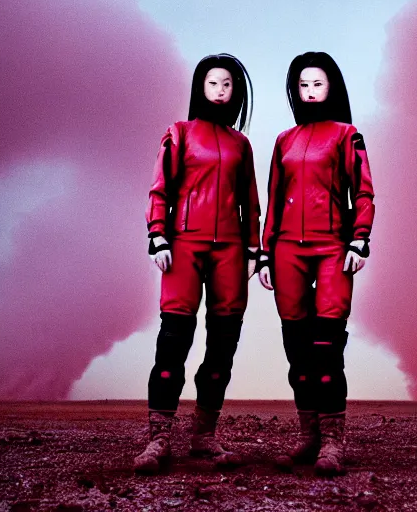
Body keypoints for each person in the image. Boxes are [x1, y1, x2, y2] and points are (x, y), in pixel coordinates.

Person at [134, 54, 261, 473]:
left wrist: (254, 251)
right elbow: (160, 190)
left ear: (235, 91)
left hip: (230, 250)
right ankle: (158, 439)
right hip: (184, 246)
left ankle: (204, 436)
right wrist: (157, 237)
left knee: (223, 345)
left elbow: (251, 205)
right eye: (213, 83)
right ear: (200, 88)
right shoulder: (179, 133)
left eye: (227, 84)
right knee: (174, 340)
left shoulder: (242, 145)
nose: (220, 90)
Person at [258, 52, 375, 476]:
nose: (310, 92)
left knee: (327, 348)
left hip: (332, 249)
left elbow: (363, 194)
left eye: (318, 84)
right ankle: (308, 437)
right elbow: (272, 201)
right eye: (303, 85)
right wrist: (265, 253)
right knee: (297, 349)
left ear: (332, 88)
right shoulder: (284, 142)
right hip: (287, 249)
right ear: (295, 91)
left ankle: (332, 443)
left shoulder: (348, 136)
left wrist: (359, 241)